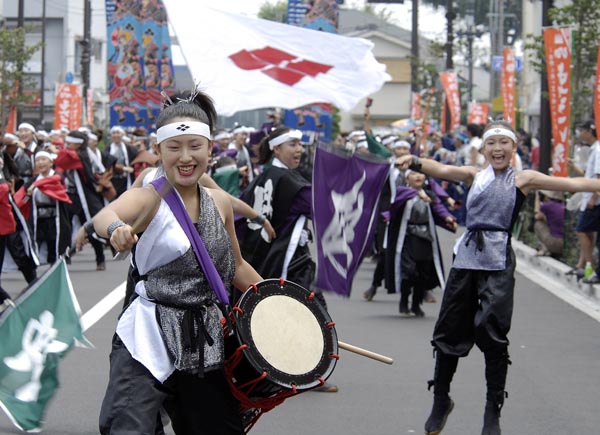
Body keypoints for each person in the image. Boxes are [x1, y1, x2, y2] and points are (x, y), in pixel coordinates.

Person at [396, 120, 600, 435]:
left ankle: (492, 412)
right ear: (484, 149)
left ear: (513, 148)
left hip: (499, 259)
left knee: (491, 332)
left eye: (504, 142)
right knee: (449, 328)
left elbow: (572, 184)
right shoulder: (473, 174)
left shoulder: (524, 178)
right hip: (466, 257)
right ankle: (441, 399)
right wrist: (416, 161)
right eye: (492, 143)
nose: (498, 148)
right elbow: (440, 169)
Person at [94, 89, 262, 435]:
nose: (185, 157)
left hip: (203, 336)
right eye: (174, 148)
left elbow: (236, 266)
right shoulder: (147, 197)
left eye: (195, 146)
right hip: (147, 332)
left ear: (209, 149)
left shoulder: (219, 202)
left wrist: (279, 305)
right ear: (159, 151)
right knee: (129, 426)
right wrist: (116, 230)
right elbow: (105, 214)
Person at [237, 126, 338, 393]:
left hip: (263, 257)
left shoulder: (264, 177)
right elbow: (322, 208)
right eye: (293, 144)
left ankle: (276, 370)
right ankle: (308, 373)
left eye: (300, 145)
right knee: (312, 314)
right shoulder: (288, 181)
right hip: (290, 262)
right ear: (277, 148)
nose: (299, 149)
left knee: (279, 314)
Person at [385, 170, 456, 316]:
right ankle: (404, 300)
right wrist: (418, 194)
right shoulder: (402, 192)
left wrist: (448, 218)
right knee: (409, 272)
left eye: (420, 174)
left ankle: (416, 304)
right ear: (407, 178)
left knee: (422, 274)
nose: (418, 176)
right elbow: (398, 201)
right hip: (407, 238)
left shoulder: (428, 195)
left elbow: (438, 207)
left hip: (425, 238)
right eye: (414, 174)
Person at [533, 190, 564, 258]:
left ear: (547, 196)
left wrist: (537, 198)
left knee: (538, 223)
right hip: (563, 245)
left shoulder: (547, 205)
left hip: (554, 243)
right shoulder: (562, 206)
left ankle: (544, 248)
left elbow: (536, 216)